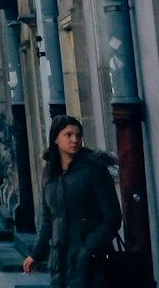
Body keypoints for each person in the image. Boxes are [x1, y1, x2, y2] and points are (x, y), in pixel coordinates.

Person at [23, 116, 122, 288]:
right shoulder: (50, 174)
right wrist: (36, 255)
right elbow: (47, 221)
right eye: (68, 135)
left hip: (93, 262)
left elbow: (112, 218)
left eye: (78, 135)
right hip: (60, 262)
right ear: (55, 138)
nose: (75, 140)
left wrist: (88, 246)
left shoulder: (94, 169)